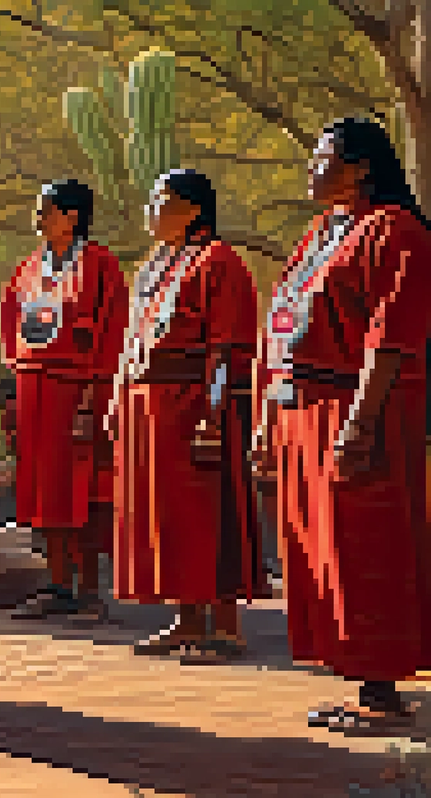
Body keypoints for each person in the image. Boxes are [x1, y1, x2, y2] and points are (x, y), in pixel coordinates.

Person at [251, 117, 431, 733]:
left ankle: (382, 693)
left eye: (322, 158)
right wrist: (268, 416)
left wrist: (359, 423)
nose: (311, 168)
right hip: (305, 406)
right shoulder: (322, 233)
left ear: (359, 168)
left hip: (359, 404)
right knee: (321, 551)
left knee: (365, 546)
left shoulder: (395, 230)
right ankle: (356, 679)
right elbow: (281, 324)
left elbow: (391, 334)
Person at [110, 169, 262, 662]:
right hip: (148, 407)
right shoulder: (155, 264)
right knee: (168, 519)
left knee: (208, 514)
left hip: (193, 404)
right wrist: (118, 395)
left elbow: (226, 346)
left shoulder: (220, 262)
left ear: (194, 208)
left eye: (162, 201)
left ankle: (228, 628)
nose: (151, 210)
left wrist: (214, 414)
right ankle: (186, 619)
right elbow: (133, 339)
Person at [0, 179, 128, 620]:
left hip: (77, 391)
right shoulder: (28, 268)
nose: (38, 218)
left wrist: (94, 398)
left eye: (47, 210)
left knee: (83, 488)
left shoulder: (100, 266)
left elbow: (112, 333)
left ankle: (90, 590)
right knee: (45, 489)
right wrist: (14, 391)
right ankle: (57, 584)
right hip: (35, 390)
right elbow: (10, 325)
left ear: (72, 216)